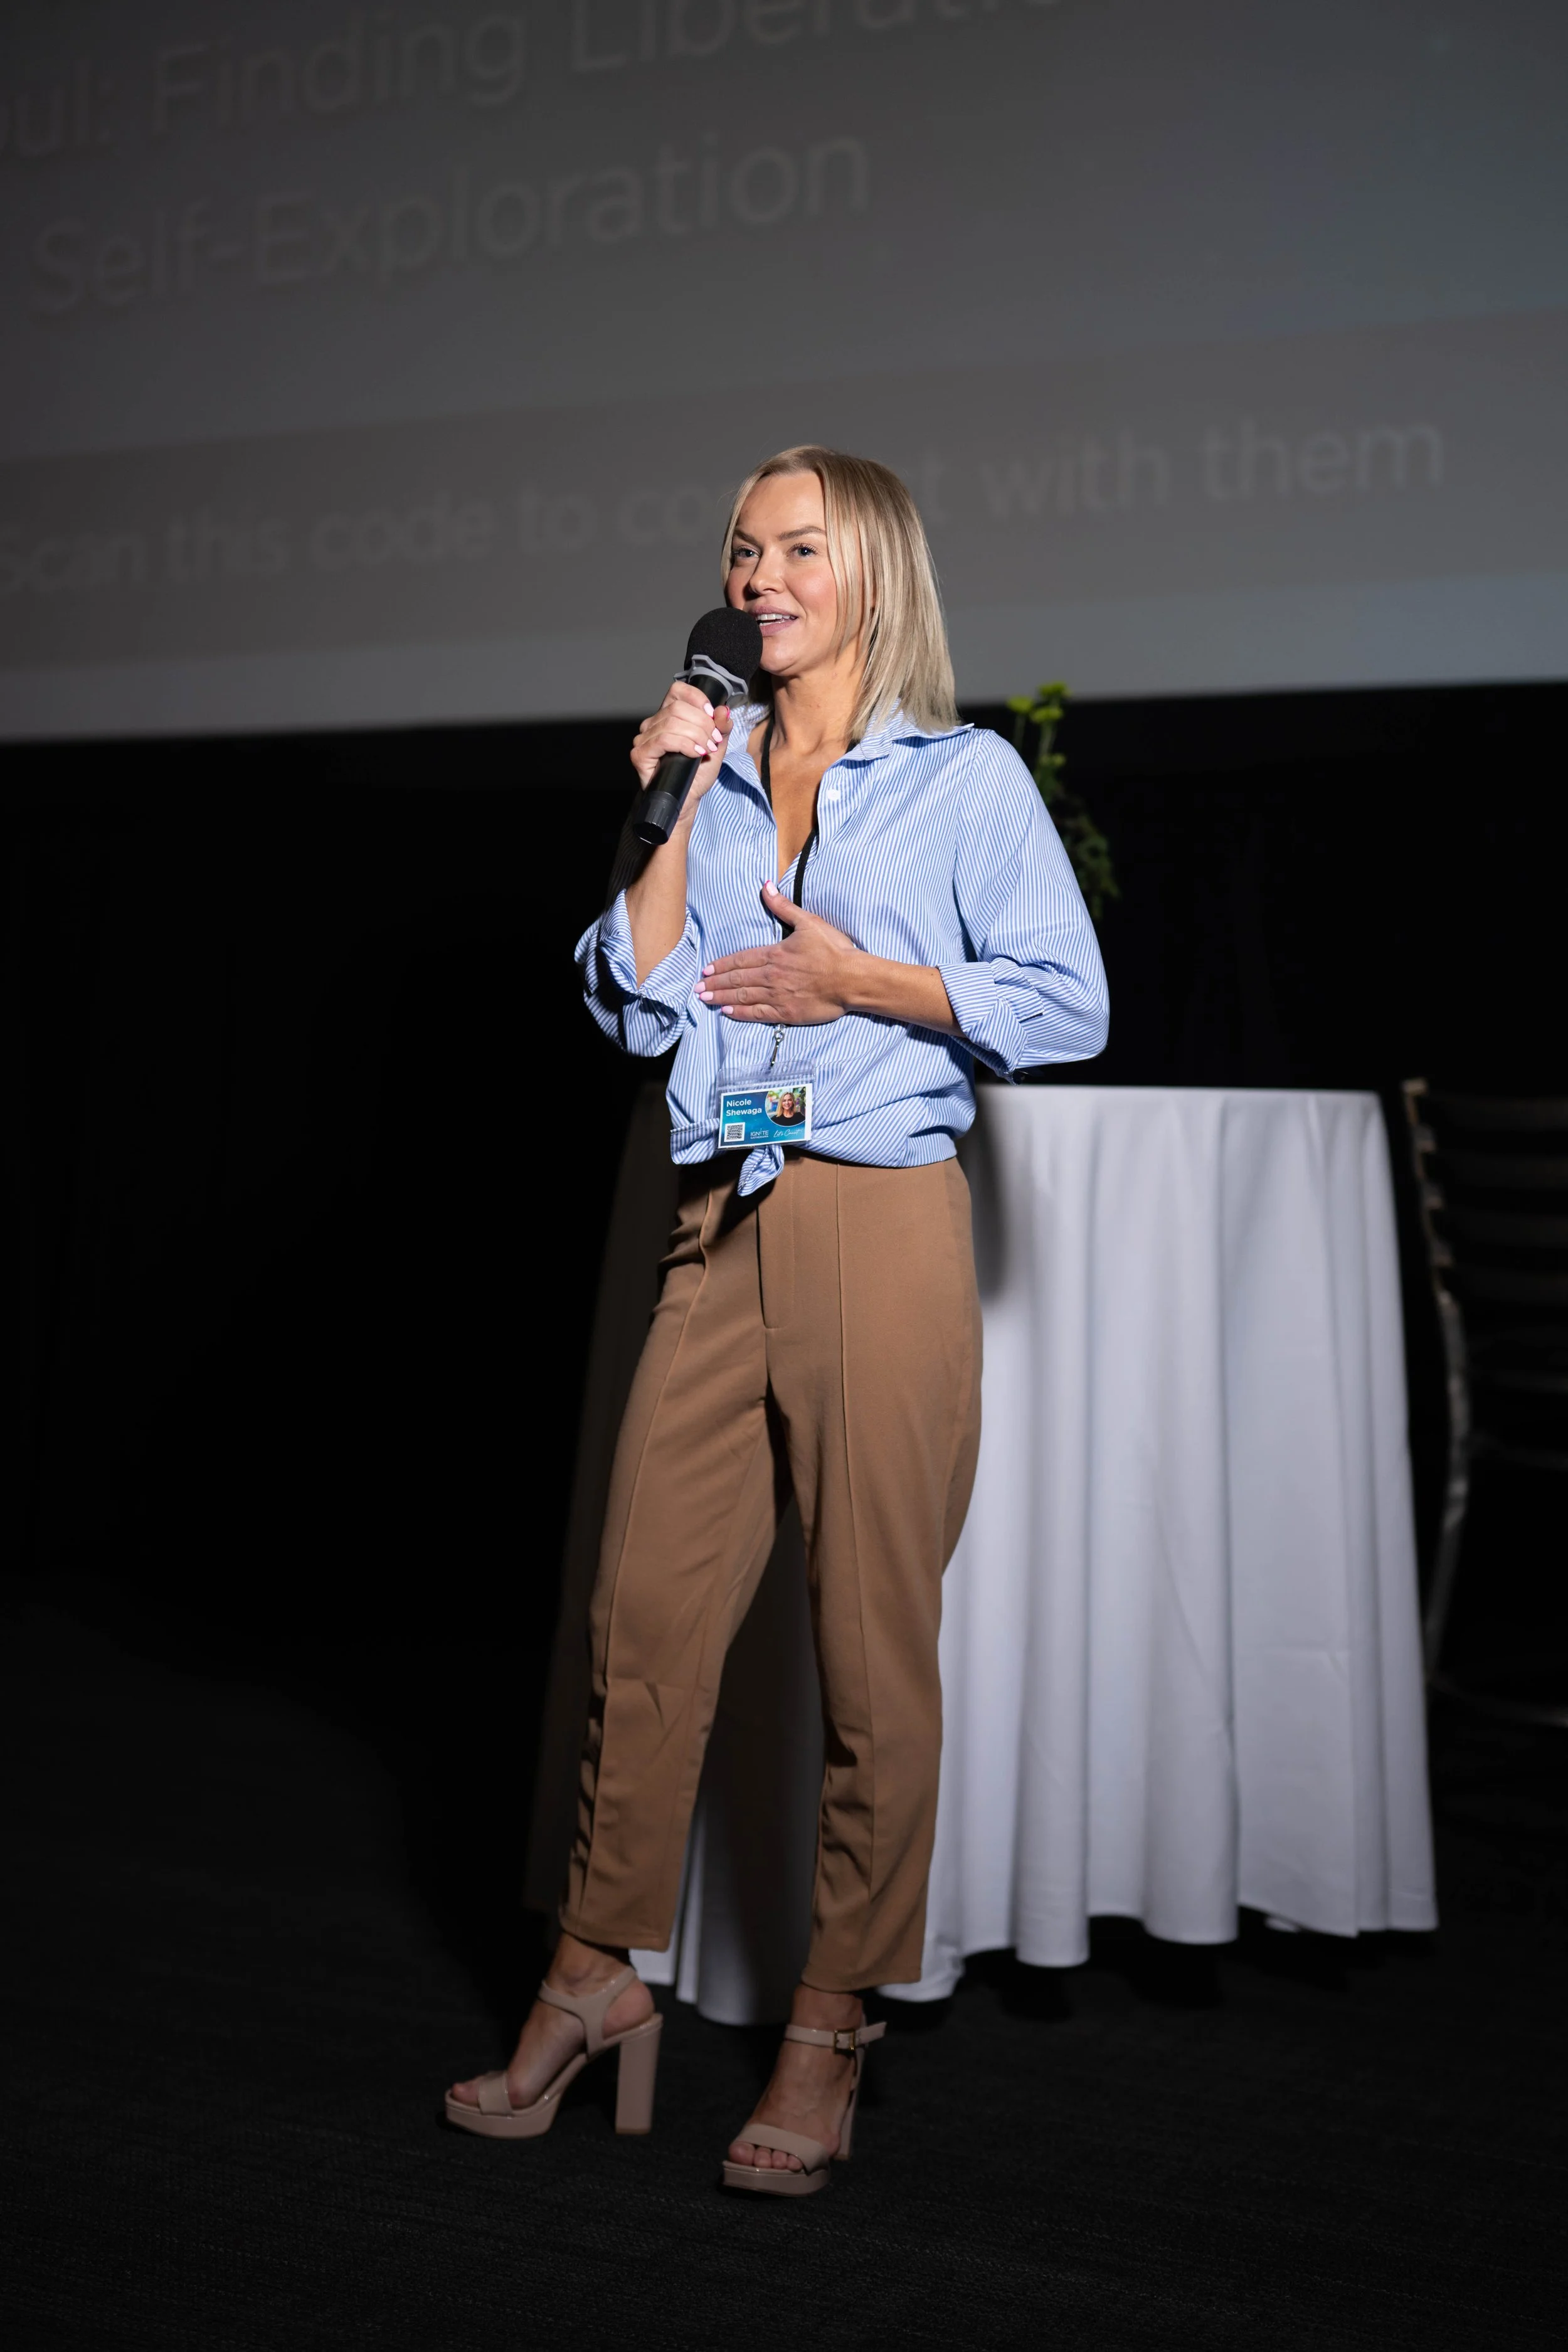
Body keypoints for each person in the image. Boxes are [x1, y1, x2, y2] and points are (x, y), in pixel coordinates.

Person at [447, 445, 1108, 2193]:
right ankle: (594, 1974)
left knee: (868, 1655)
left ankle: (828, 2019)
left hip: (876, 1224)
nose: (760, 578)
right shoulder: (709, 772)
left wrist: (857, 979)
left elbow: (1065, 1000)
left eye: (798, 548)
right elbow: (637, 1003)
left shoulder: (962, 782)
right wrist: (665, 799)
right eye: (743, 552)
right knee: (636, 1621)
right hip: (711, 1216)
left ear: (873, 570)